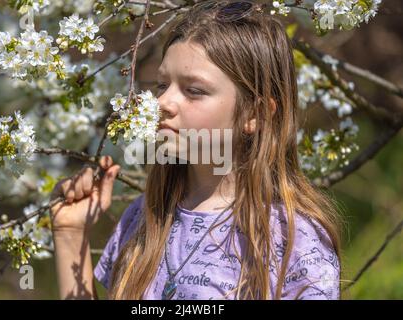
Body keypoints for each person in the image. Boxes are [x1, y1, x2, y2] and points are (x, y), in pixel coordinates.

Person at [50, 1, 342, 300]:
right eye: (162, 85)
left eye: (194, 90)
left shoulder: (293, 238)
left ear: (257, 115)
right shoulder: (144, 216)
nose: (163, 103)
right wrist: (70, 235)